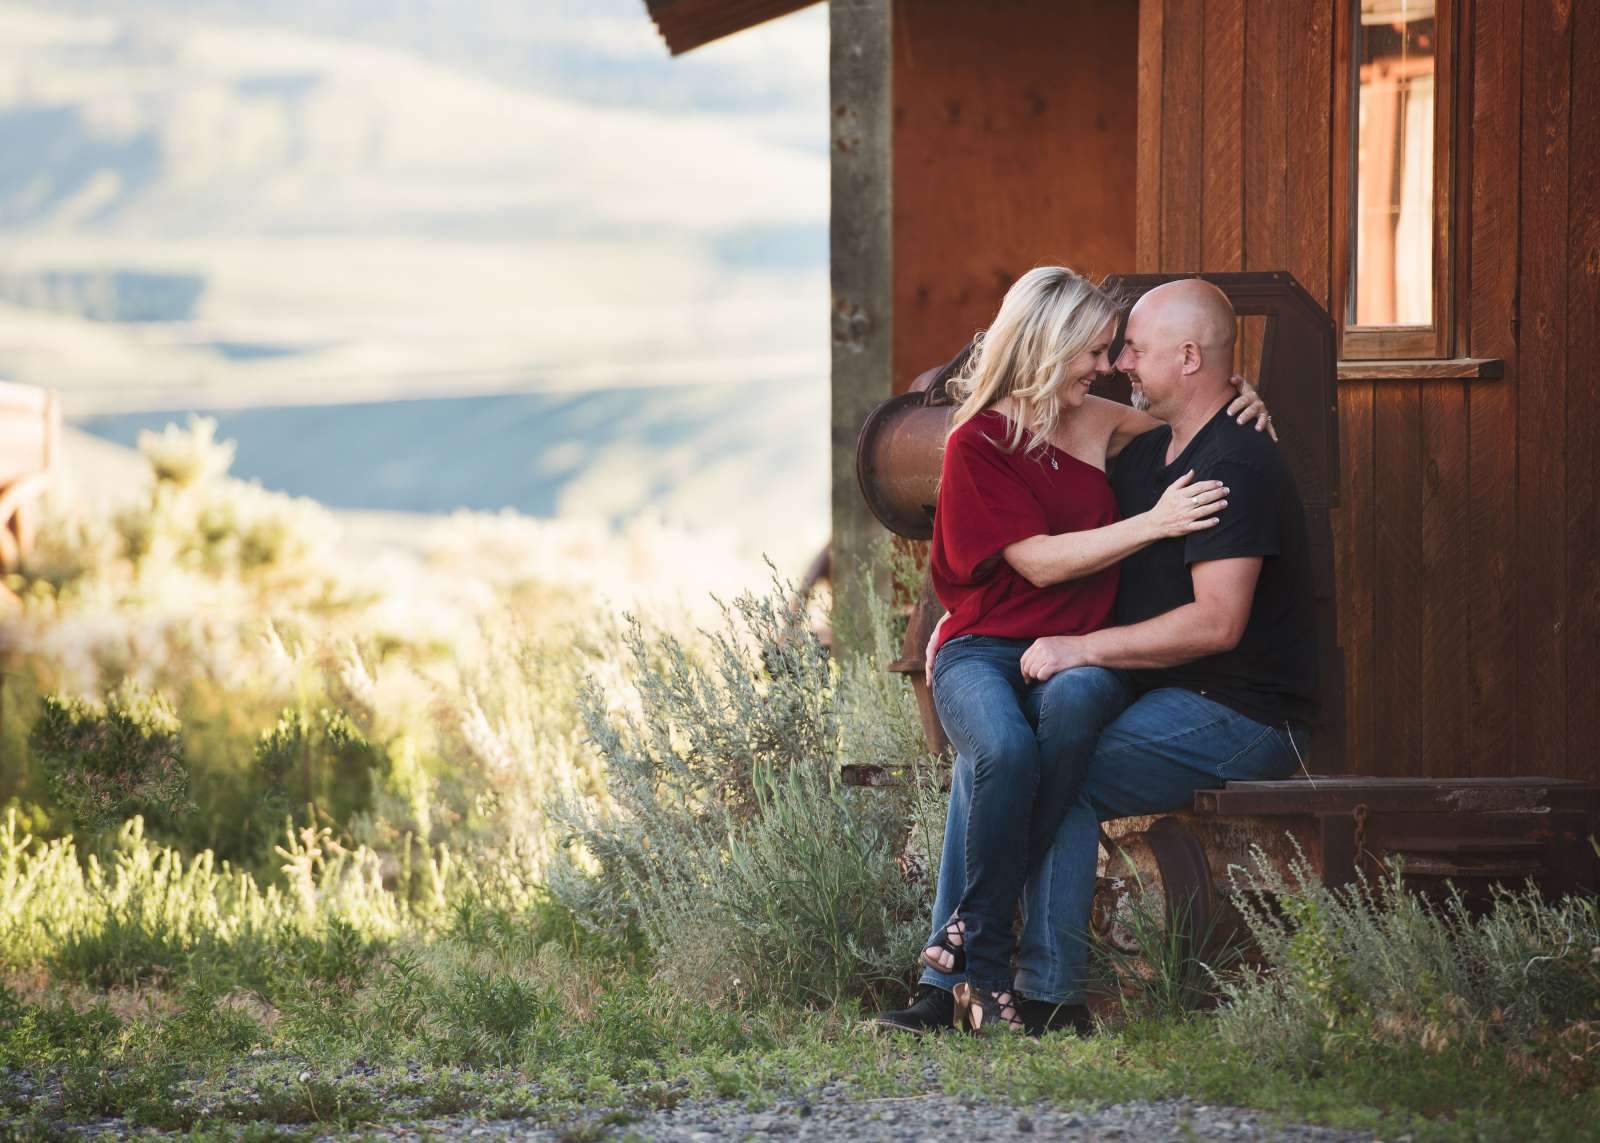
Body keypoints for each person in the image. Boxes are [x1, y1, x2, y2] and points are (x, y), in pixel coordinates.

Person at [877, 277, 1316, 1037]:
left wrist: (1237, 394)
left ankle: (1014, 979)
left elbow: (1217, 621)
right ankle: (975, 986)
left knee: (1055, 760)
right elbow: (1044, 553)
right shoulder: (1122, 451)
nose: (1116, 364)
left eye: (1130, 351)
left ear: (1183, 357)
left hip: (1227, 702)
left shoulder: (1209, 459)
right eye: (1102, 350)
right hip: (1074, 667)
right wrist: (1215, 409)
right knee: (999, 755)